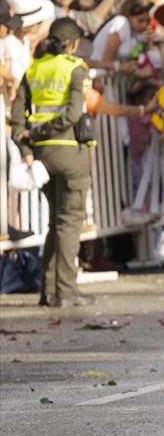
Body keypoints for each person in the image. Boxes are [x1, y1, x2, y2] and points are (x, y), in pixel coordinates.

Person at [9, 19, 95, 307]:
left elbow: (17, 117)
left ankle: (48, 291)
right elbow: (72, 114)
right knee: (70, 223)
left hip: (42, 157)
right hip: (70, 152)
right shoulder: (75, 68)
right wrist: (39, 132)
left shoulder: (33, 69)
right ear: (71, 44)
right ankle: (67, 291)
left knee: (55, 221)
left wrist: (27, 144)